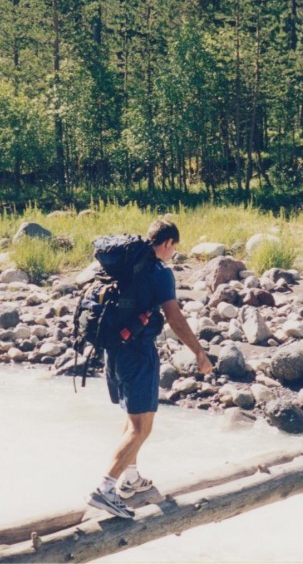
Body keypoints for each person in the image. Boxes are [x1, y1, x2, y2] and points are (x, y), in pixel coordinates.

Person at [86, 219, 213, 520]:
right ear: (168, 243)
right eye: (174, 249)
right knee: (143, 428)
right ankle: (105, 488)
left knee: (132, 419)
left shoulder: (125, 268)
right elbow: (175, 318)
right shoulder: (159, 273)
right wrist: (199, 352)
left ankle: (129, 478)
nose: (173, 255)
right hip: (138, 353)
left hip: (113, 350)